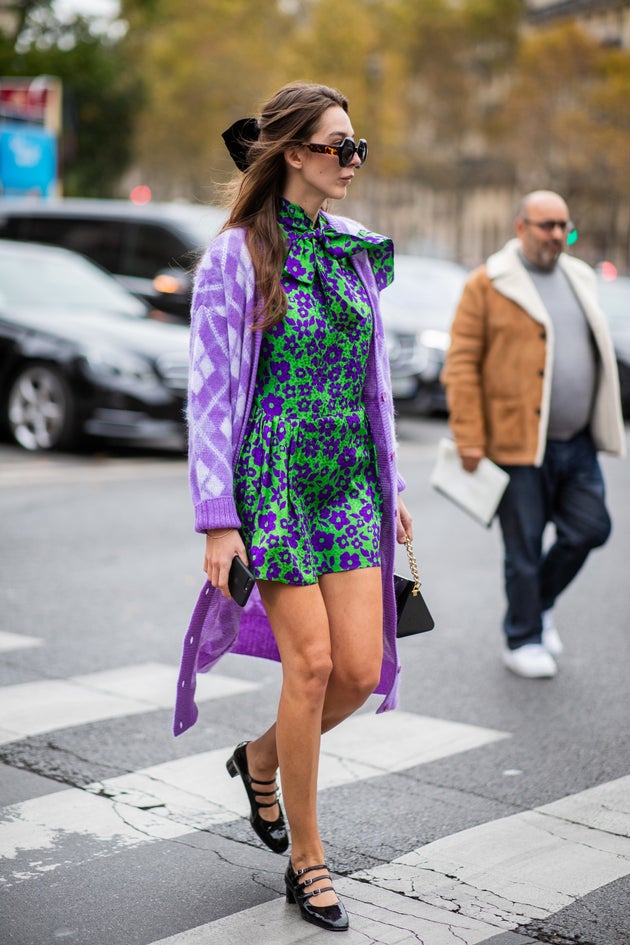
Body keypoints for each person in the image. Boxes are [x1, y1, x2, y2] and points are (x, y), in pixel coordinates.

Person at [173, 82, 412, 933]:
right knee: (306, 667)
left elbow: (372, 380)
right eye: (338, 146)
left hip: (348, 480)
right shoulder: (237, 255)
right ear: (292, 154)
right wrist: (216, 517)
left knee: (356, 667)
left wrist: (396, 492)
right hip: (271, 481)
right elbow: (209, 394)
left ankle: (260, 758)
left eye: (357, 147)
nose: (353, 161)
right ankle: (309, 860)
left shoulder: (351, 248)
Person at [442, 190, 625, 679]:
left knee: (591, 529)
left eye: (564, 225)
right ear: (521, 227)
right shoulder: (488, 283)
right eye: (546, 225)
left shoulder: (579, 276)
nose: (557, 235)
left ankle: (536, 606)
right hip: (513, 441)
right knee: (522, 549)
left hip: (576, 441)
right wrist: (469, 437)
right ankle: (522, 638)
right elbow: (460, 364)